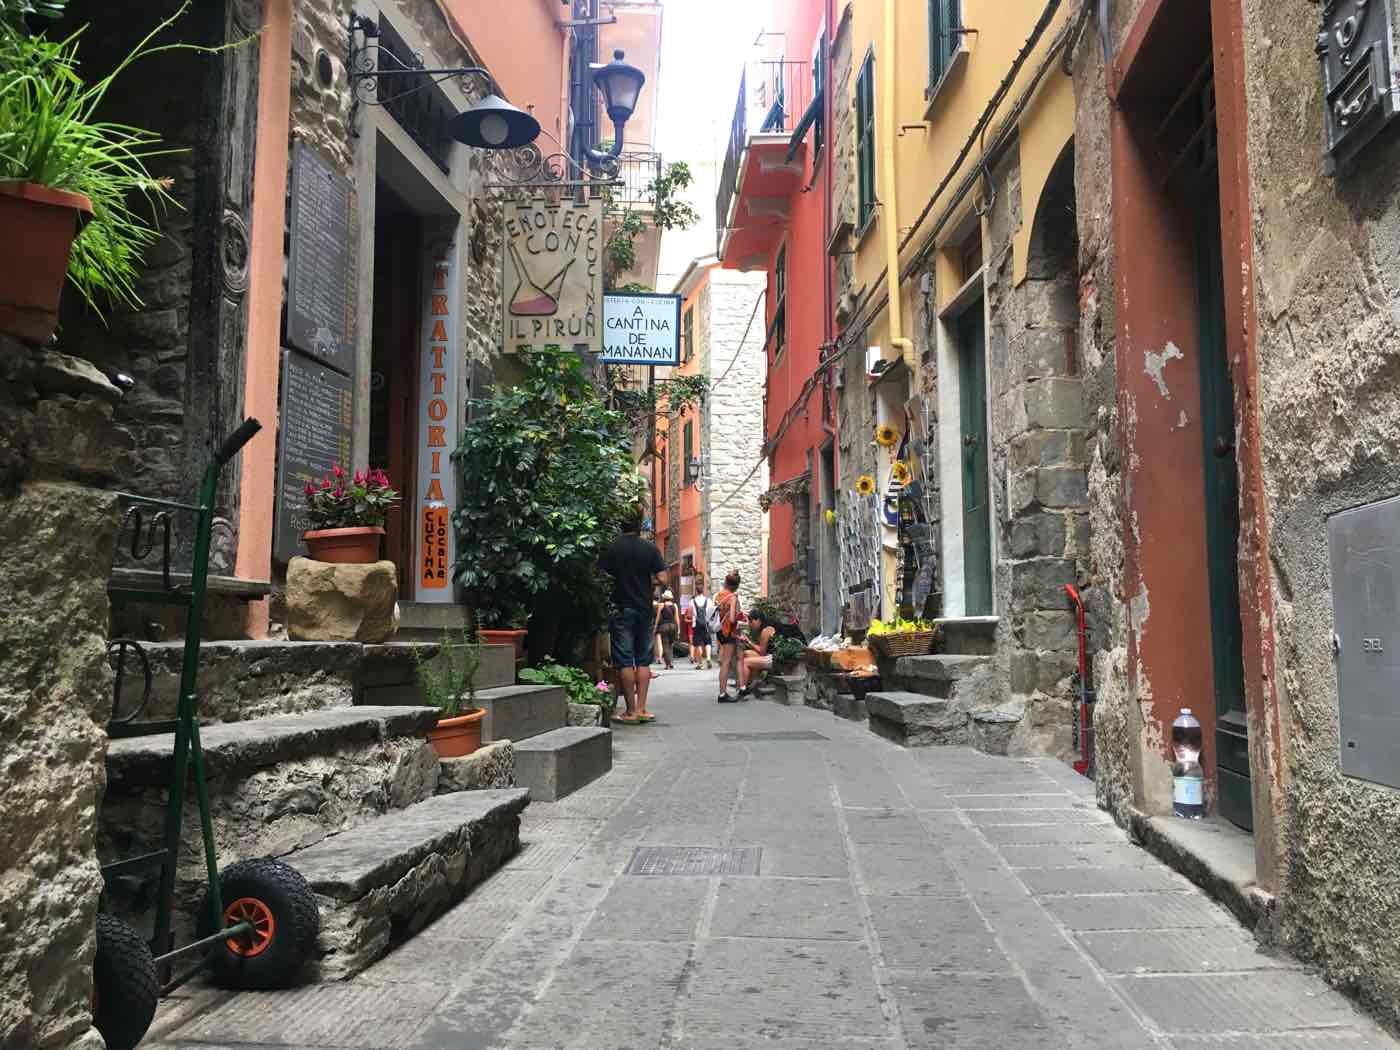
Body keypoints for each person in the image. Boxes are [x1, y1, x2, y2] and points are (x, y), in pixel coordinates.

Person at [598, 506, 666, 724]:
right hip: (644, 609)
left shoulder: (611, 548)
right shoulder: (650, 548)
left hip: (620, 609)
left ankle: (630, 711)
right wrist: (648, 582)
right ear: (639, 524)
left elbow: (600, 576)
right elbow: (663, 578)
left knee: (625, 661)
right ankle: (643, 708)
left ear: (621, 523)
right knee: (644, 659)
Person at [714, 571, 742, 703]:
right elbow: (731, 619)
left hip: (720, 631)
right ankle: (722, 693)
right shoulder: (732, 597)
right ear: (736, 586)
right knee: (726, 663)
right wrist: (739, 616)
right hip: (729, 632)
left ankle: (738, 686)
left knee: (726, 661)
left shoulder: (719, 595)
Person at [737, 607, 777, 698]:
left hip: (773, 659)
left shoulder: (765, 631)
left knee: (746, 662)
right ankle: (753, 683)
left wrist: (748, 641)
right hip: (768, 656)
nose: (750, 625)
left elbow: (762, 652)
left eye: (751, 622)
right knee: (747, 653)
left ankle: (743, 689)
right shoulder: (764, 629)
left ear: (758, 620)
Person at [690, 580, 715, 671]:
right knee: (707, 641)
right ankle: (708, 657)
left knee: (698, 644)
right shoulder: (708, 600)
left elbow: (690, 614)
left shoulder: (692, 601)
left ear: (696, 591)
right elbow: (711, 612)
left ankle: (700, 663)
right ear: (703, 591)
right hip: (706, 624)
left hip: (696, 624)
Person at [654, 589, 680, 670]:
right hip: (673, 626)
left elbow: (658, 617)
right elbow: (677, 618)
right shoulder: (674, 605)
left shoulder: (661, 605)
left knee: (665, 644)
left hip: (664, 626)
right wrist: (678, 629)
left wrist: (655, 626)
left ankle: (667, 664)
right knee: (671, 644)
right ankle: (670, 662)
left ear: (664, 598)